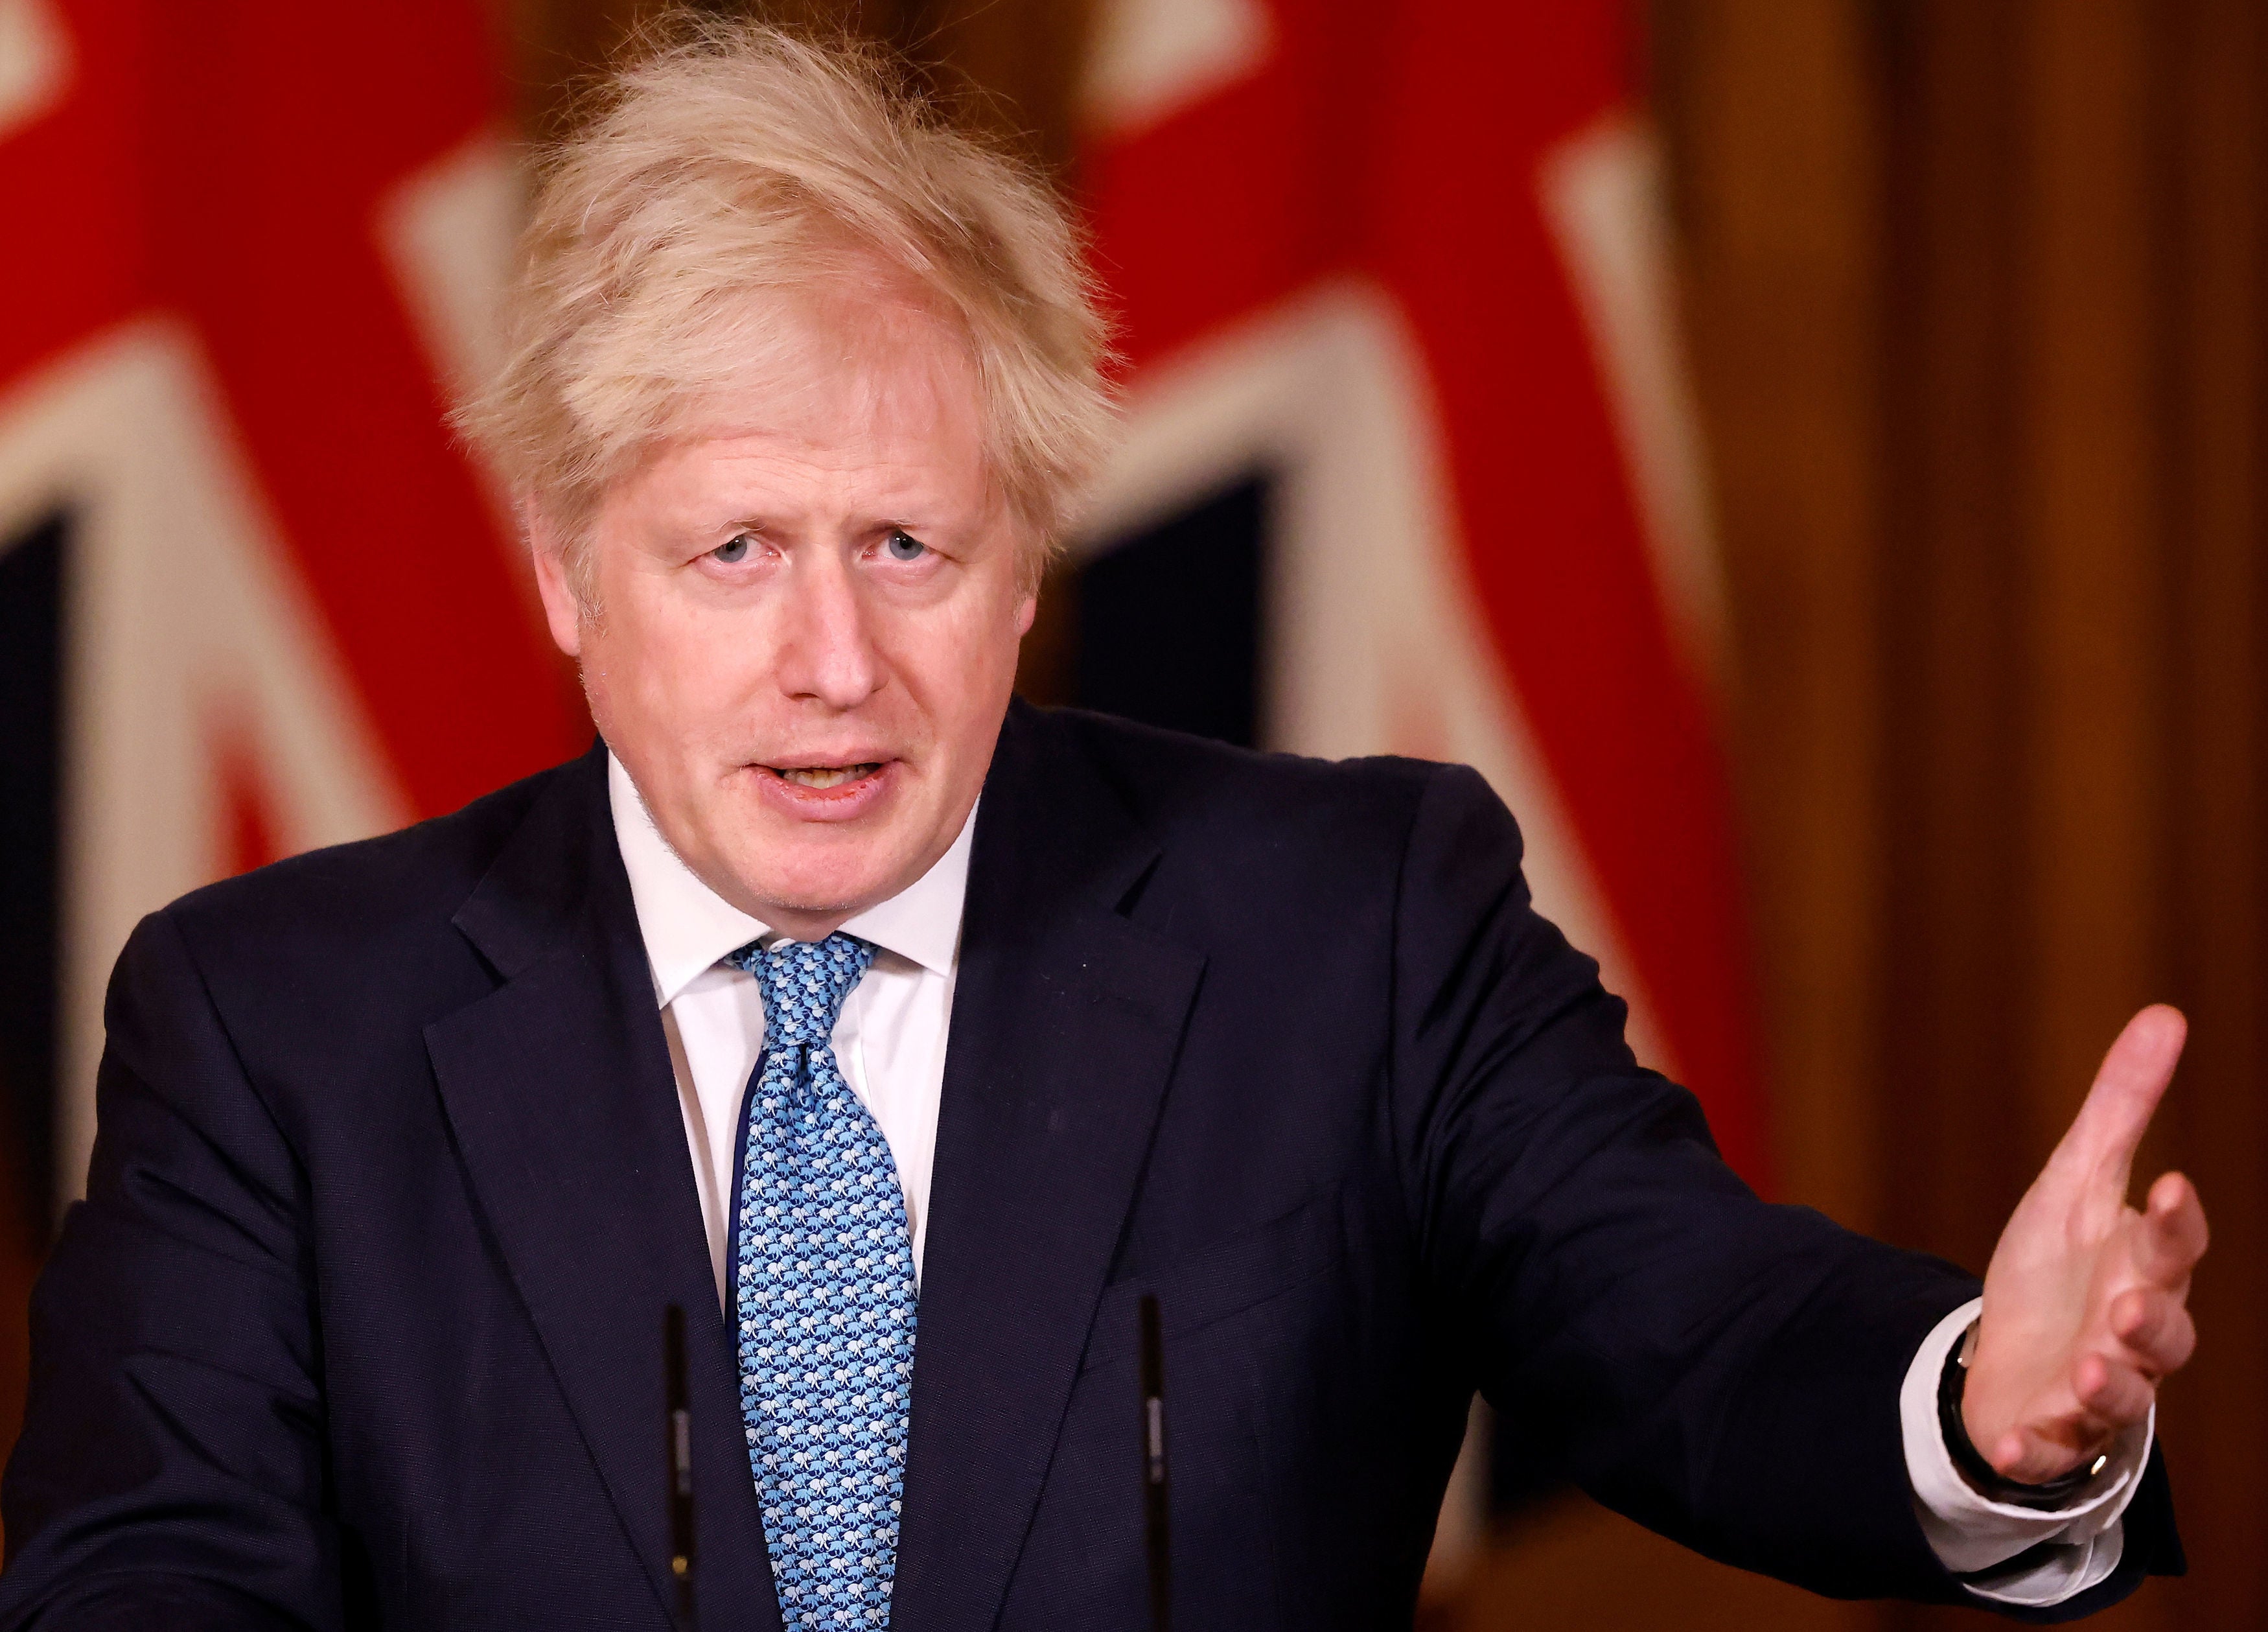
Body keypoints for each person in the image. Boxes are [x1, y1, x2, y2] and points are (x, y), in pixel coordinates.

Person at [0, 21, 2206, 1631]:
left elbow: (1697, 1329)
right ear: (569, 574)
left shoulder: (1355, 932)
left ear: (1029, 562)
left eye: (910, 547)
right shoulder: (277, 1022)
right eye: (737, 554)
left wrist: (1981, 1410)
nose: (836, 662)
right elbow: (145, 1580)